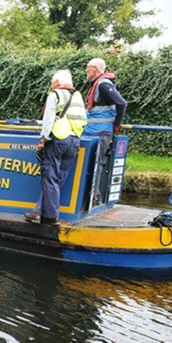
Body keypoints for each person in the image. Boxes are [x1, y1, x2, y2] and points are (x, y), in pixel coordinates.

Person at [25, 69, 86, 225]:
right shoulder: (77, 96)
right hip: (74, 141)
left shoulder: (55, 95)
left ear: (58, 83)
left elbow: (48, 119)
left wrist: (43, 140)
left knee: (50, 178)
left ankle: (51, 217)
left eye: (52, 83)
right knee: (59, 179)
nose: (51, 87)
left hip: (58, 139)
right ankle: (39, 211)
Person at [83, 58, 126, 137]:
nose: (86, 70)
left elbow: (122, 103)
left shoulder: (103, 84)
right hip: (92, 130)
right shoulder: (96, 84)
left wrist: (116, 125)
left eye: (88, 67)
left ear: (95, 68)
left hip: (101, 132)